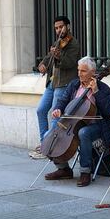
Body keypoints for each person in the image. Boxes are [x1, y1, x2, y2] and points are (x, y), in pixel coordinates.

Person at [44, 57, 110, 187]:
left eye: (83, 71)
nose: (79, 74)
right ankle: (63, 168)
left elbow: (108, 111)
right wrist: (58, 109)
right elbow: (63, 100)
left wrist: (96, 92)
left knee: (83, 133)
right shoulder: (74, 85)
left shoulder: (103, 88)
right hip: (73, 124)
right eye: (78, 70)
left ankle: (85, 172)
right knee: (49, 135)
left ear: (93, 72)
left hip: (97, 127)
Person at [29, 16, 81, 159]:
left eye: (61, 27)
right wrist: (43, 64)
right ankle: (44, 143)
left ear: (67, 27)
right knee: (41, 110)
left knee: (55, 115)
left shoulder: (73, 44)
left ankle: (50, 147)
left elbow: (69, 63)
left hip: (64, 83)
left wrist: (58, 57)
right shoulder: (57, 42)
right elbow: (48, 57)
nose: (59, 30)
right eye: (56, 28)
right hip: (52, 83)